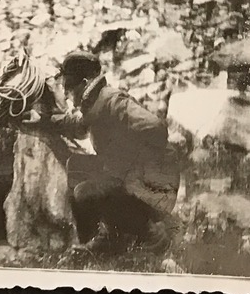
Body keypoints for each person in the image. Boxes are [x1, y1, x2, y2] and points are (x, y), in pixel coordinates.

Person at [51, 50, 180, 256]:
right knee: (76, 166)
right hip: (134, 176)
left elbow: (155, 127)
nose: (66, 94)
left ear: (84, 83)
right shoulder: (94, 103)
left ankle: (153, 234)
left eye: (69, 87)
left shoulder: (113, 100)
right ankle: (110, 235)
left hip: (155, 182)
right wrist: (48, 120)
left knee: (88, 190)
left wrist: (127, 164)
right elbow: (78, 126)